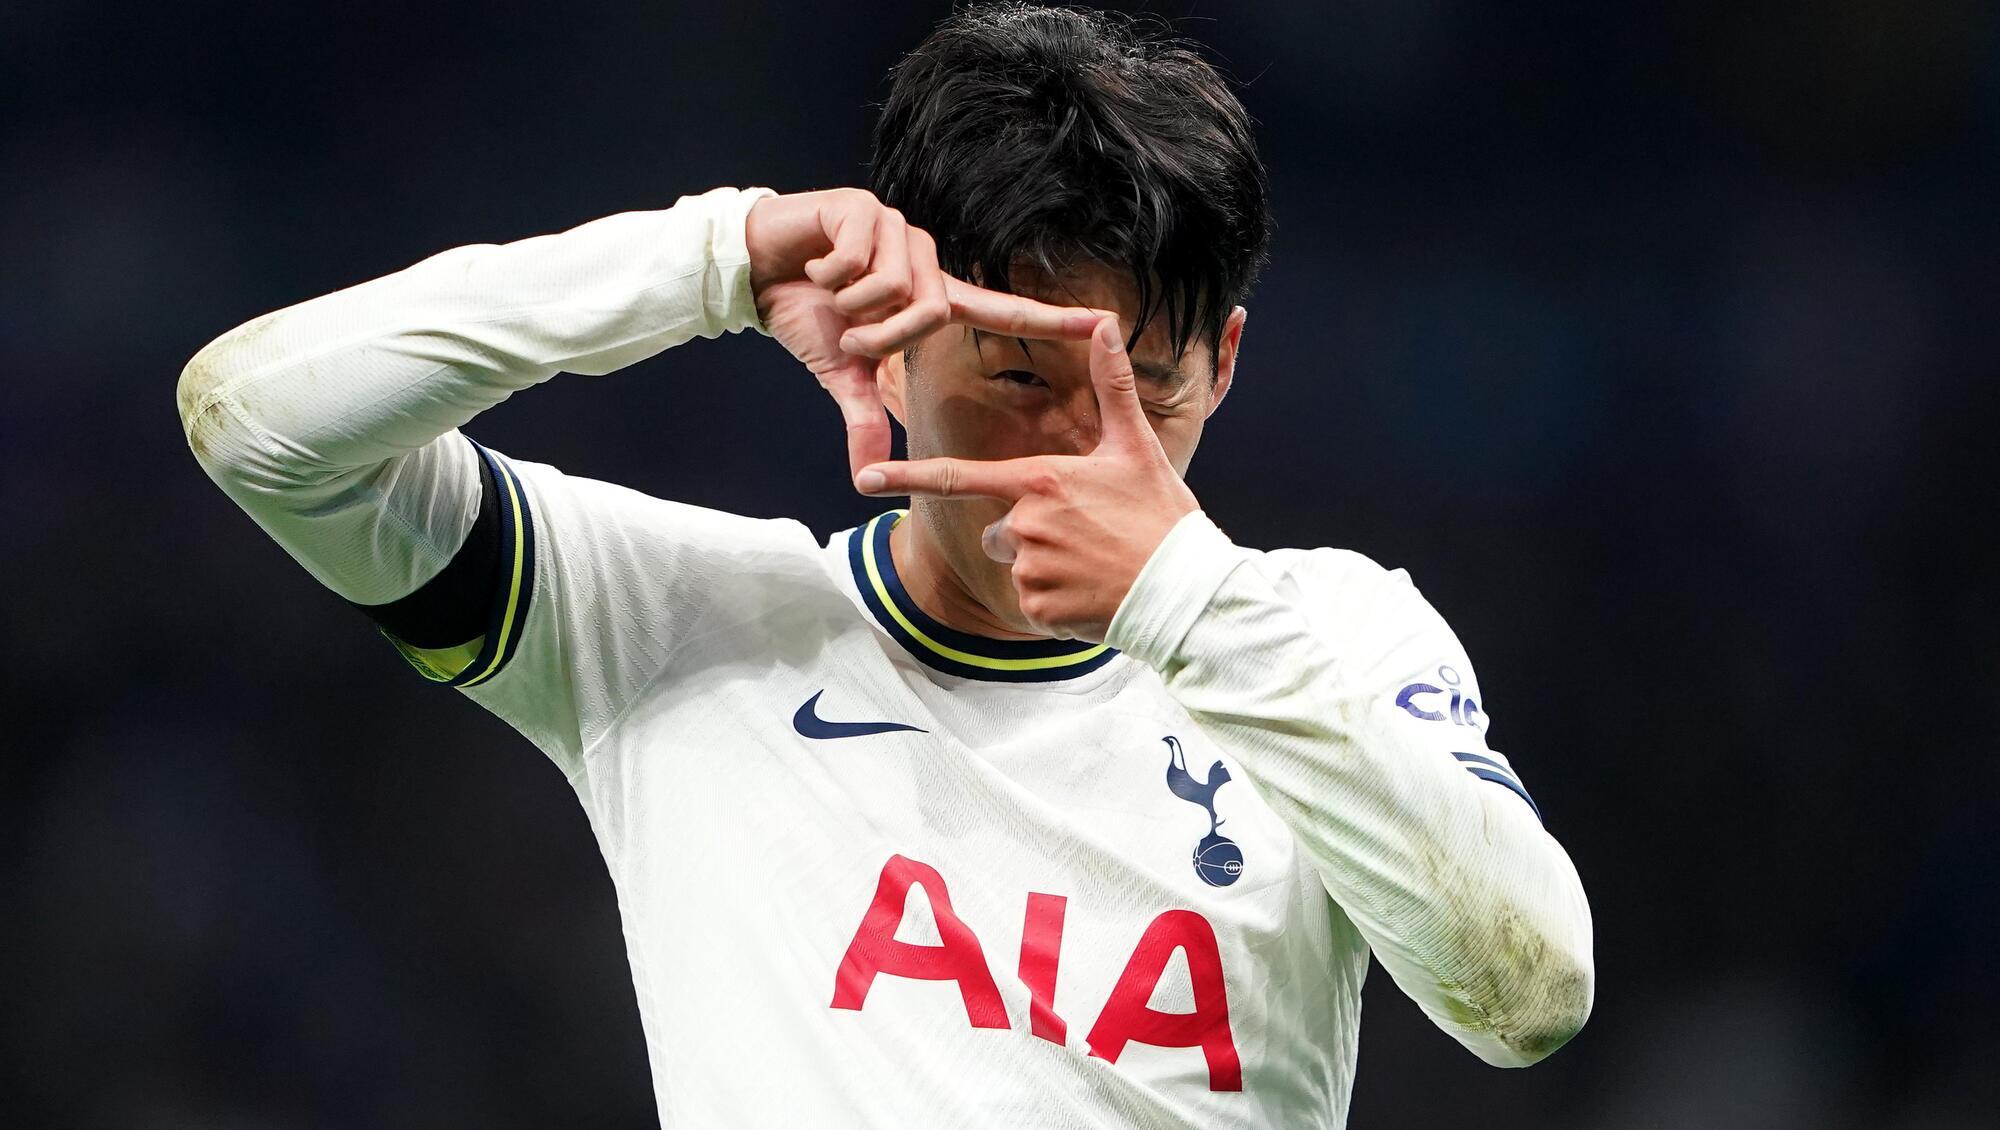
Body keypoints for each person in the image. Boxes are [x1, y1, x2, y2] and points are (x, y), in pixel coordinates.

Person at [176, 4, 1592, 1126]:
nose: (1075, 450)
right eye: (1020, 374)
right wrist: (708, 260)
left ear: (1223, 365)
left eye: (1146, 389)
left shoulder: (1333, 639)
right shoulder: (672, 628)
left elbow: (1527, 995)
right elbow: (261, 426)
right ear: (890, 344)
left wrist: (1177, 595)